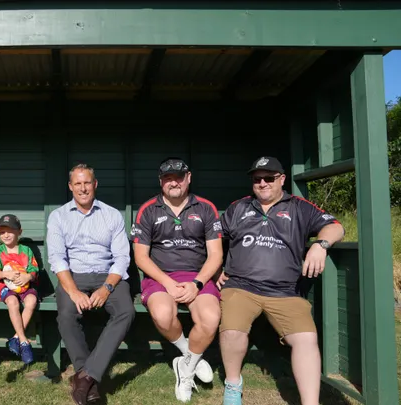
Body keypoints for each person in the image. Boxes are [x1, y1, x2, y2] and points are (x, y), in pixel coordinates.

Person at [217, 156, 345, 405]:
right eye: (257, 179)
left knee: (306, 339)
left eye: (269, 178)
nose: (262, 183)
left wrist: (321, 244)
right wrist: (214, 271)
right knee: (232, 331)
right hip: (241, 287)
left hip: (285, 291)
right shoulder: (239, 208)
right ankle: (233, 385)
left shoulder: (299, 207)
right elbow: (213, 238)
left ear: (282, 179)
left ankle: (311, 402)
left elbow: (335, 226)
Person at [131, 157, 222, 402]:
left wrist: (198, 283)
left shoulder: (206, 208)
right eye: (168, 178)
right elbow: (141, 257)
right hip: (160, 276)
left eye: (178, 177)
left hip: (197, 276)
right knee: (162, 314)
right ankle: (190, 356)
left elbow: (216, 254)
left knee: (211, 318)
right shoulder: (148, 209)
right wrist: (168, 283)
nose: (173, 183)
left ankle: (186, 368)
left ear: (188, 178)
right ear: (161, 181)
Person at [46, 163, 135, 405]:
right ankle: (90, 379)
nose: (83, 188)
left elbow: (122, 258)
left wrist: (106, 288)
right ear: (70, 187)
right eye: (78, 183)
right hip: (74, 276)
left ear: (95, 184)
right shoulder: (58, 216)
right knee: (66, 314)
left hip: (108, 276)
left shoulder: (112, 215)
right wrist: (73, 291)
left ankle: (84, 377)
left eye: (87, 183)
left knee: (126, 311)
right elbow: (56, 257)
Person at [0, 214, 39, 365]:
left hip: (24, 286)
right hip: (3, 286)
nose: (6, 235)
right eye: (2, 232)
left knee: (32, 300)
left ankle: (15, 338)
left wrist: (28, 277)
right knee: (12, 302)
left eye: (10, 231)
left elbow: (34, 270)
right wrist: (6, 274)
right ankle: (23, 341)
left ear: (19, 232)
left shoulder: (26, 251)